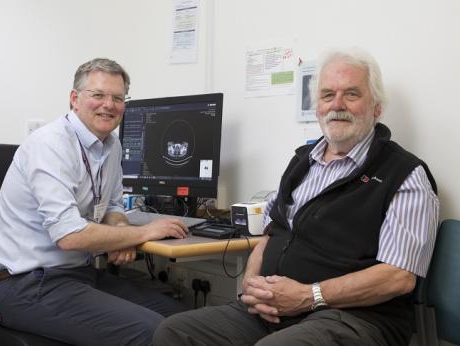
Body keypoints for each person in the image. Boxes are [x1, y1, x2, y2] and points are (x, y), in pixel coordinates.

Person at [153, 48, 439, 346]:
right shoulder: (303, 162)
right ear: (317, 107)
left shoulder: (404, 175)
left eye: (351, 94)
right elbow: (270, 232)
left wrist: (308, 296)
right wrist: (253, 285)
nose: (337, 105)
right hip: (274, 312)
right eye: (327, 95)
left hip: (353, 319)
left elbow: (398, 277)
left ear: (377, 107)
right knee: (174, 332)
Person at [0, 58, 189, 346]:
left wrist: (120, 235)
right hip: (27, 286)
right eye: (98, 95)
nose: (109, 104)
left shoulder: (112, 145)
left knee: (183, 321)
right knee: (153, 332)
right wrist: (143, 232)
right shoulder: (50, 144)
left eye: (118, 98)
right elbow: (69, 236)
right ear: (75, 99)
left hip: (79, 276)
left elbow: (113, 207)